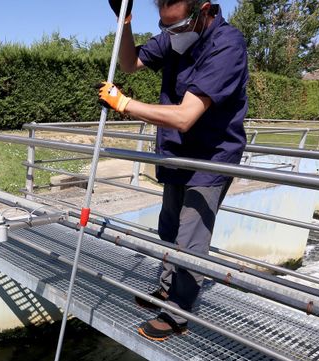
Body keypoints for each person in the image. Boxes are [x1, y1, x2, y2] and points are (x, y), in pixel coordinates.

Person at [97, 0, 249, 341]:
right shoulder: (177, 34)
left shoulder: (227, 45)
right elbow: (129, 62)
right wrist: (125, 21)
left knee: (190, 238)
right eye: (166, 26)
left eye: (177, 26)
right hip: (178, 152)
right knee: (168, 228)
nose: (170, 34)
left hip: (211, 158)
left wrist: (124, 104)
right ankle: (167, 291)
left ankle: (178, 313)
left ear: (204, 10)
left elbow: (184, 117)